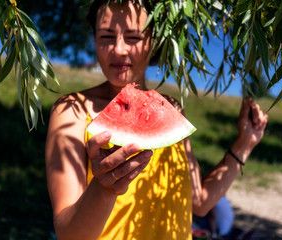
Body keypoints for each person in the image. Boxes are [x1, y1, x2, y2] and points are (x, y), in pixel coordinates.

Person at [44, 1, 269, 239]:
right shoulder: (72, 111)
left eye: (133, 37)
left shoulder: (171, 108)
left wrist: (245, 143)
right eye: (106, 36)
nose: (119, 49)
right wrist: (105, 189)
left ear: (156, 42)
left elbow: (200, 202)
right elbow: (69, 234)